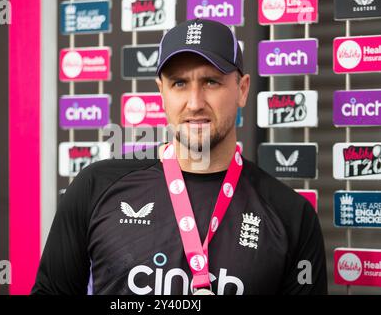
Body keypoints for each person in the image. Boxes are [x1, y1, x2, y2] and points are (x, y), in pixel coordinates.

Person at [32, 19, 327, 295]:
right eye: (179, 83)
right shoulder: (94, 187)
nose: (195, 103)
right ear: (162, 93)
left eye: (211, 82)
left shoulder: (292, 216)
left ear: (242, 89)